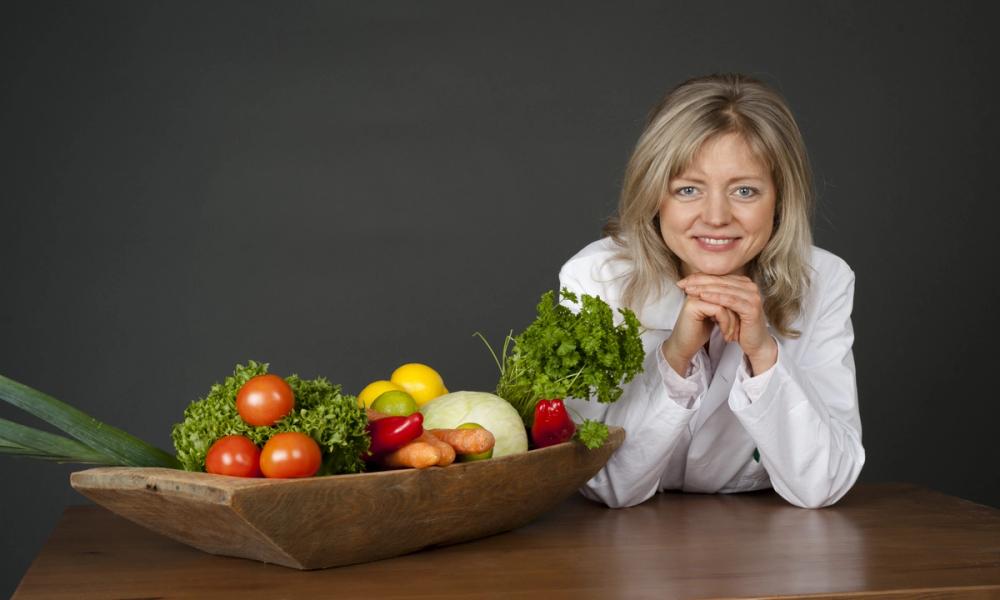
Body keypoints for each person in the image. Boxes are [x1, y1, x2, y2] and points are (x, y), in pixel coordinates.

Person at [561, 73, 864, 509]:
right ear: (653, 196)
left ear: (780, 200)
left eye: (745, 191)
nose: (717, 216)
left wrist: (763, 354)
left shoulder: (825, 280)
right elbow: (603, 482)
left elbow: (824, 482)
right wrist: (676, 354)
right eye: (688, 190)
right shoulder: (596, 279)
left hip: (764, 549)